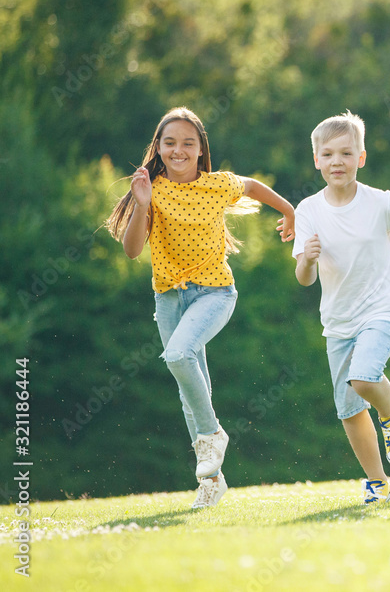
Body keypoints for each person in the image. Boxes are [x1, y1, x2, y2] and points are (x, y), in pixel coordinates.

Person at [105, 107, 296, 509]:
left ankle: (212, 436)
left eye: (188, 143)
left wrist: (290, 212)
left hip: (214, 294)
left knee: (177, 354)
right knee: (189, 389)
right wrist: (141, 204)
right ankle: (211, 482)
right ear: (158, 147)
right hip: (169, 299)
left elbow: (254, 186)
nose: (178, 150)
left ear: (200, 149)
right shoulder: (151, 189)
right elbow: (132, 250)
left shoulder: (218, 185)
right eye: (170, 142)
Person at [293, 111, 390, 505]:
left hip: (384, 309)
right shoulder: (308, 210)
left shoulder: (380, 202)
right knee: (348, 411)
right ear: (317, 160)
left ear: (361, 157)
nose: (337, 162)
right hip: (338, 321)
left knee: (363, 379)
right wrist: (307, 260)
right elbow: (304, 279)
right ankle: (378, 482)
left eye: (346, 153)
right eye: (328, 155)